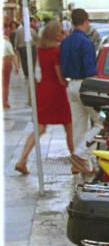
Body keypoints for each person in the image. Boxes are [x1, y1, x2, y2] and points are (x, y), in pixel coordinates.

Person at [15, 20, 89, 175]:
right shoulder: (56, 51)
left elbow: (37, 70)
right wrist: (66, 81)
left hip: (43, 89)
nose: (64, 34)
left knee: (40, 127)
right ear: (54, 34)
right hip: (56, 91)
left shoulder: (40, 49)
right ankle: (75, 163)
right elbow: (59, 75)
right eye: (61, 32)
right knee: (69, 126)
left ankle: (22, 159)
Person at [59, 8, 98, 174]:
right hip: (85, 84)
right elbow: (90, 68)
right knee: (101, 122)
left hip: (71, 85)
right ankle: (81, 154)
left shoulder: (66, 42)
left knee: (78, 125)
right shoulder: (86, 42)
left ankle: (81, 165)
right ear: (85, 21)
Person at [3, 30, 19, 109]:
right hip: (5, 62)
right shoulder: (6, 43)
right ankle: (4, 102)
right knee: (5, 83)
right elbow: (13, 55)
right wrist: (16, 66)